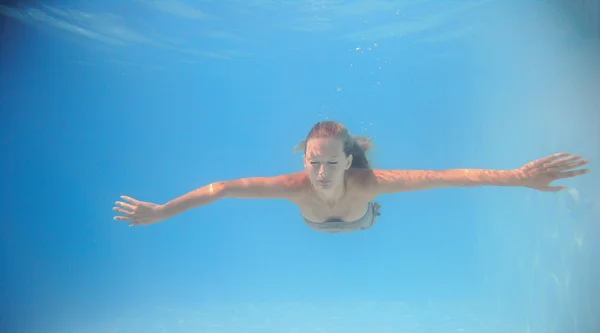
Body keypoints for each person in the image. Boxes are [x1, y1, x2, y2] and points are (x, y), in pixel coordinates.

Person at [113, 121, 589, 234]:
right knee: (323, 215)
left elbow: (449, 177)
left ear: (348, 161)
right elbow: (220, 189)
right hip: (315, 222)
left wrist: (518, 177)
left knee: (367, 219)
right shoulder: (292, 186)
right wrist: (161, 212)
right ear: (305, 161)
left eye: (330, 163)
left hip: (360, 216)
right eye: (312, 162)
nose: (320, 171)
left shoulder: (369, 181)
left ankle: (370, 219)